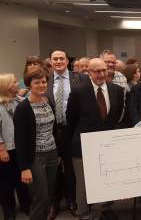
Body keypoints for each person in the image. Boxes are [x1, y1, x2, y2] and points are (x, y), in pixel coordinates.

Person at [66, 58, 125, 220]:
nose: (101, 74)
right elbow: (70, 119)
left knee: (106, 178)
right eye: (96, 71)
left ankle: (103, 209)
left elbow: (117, 115)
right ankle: (83, 213)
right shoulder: (78, 92)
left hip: (107, 143)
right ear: (89, 73)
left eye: (103, 70)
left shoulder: (117, 90)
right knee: (83, 183)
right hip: (82, 144)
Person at [45, 50, 89, 217]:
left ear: (67, 61)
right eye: (55, 59)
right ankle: (53, 203)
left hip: (73, 130)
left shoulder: (80, 78)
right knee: (52, 169)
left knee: (72, 168)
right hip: (51, 131)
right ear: (50, 61)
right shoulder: (45, 79)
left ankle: (72, 200)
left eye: (61, 58)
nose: (58, 61)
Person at [13, 67, 58, 220]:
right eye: (37, 82)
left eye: (44, 82)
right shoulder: (23, 108)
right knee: (41, 197)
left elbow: (54, 129)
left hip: (52, 153)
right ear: (29, 85)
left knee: (50, 195)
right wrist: (24, 168)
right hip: (35, 157)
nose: (41, 85)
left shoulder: (48, 101)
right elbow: (20, 141)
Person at [0, 73, 30, 220]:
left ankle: (25, 204)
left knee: (22, 179)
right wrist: (2, 149)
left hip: (21, 148)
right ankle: (9, 209)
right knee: (6, 182)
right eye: (14, 83)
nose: (18, 84)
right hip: (5, 149)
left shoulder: (22, 102)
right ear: (6, 87)